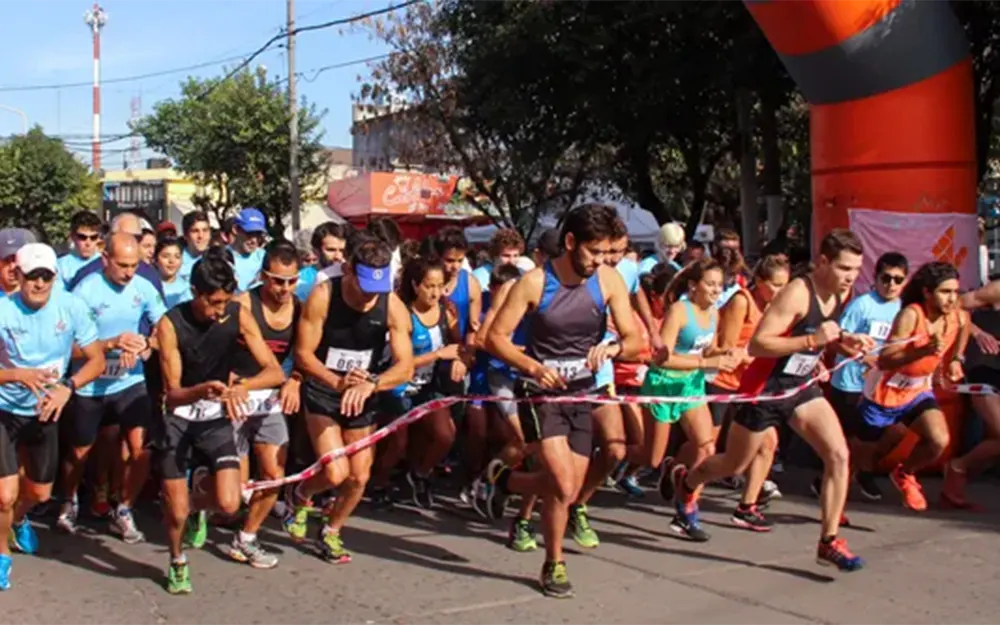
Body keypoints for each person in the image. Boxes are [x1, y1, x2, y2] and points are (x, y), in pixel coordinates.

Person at [673, 229, 873, 572]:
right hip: (764, 388)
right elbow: (759, 344)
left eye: (855, 270)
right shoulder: (797, 293)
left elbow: (822, 331)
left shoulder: (841, 293)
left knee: (838, 455)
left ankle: (829, 541)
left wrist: (847, 341)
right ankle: (687, 483)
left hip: (800, 387)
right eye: (844, 269)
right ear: (823, 262)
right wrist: (813, 340)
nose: (850, 277)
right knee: (733, 464)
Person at [480, 203, 641, 598]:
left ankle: (503, 481)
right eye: (594, 252)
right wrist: (532, 367)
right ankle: (556, 563)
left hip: (582, 392)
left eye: (607, 253)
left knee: (565, 490)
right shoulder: (535, 282)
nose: (601, 261)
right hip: (540, 394)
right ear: (570, 242)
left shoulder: (609, 281)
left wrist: (614, 348)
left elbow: (636, 340)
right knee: (564, 483)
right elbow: (495, 337)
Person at [155, 248, 285, 594]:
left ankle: (194, 497)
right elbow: (173, 394)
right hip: (179, 420)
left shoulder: (237, 314)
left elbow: (273, 371)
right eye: (213, 303)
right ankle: (177, 560)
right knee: (177, 515)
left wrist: (241, 385)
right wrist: (202, 390)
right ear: (195, 293)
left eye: (225, 302)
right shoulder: (170, 324)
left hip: (214, 419)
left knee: (229, 504)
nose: (219, 311)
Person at [283, 236, 414, 563]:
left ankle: (331, 530)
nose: (371, 295)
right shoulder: (324, 295)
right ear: (349, 270)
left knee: (359, 477)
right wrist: (337, 382)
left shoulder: (391, 304)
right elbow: (303, 354)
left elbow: (406, 366)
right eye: (365, 285)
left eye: (378, 287)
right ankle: (301, 493)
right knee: (335, 472)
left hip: (363, 391)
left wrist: (372, 383)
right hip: (325, 388)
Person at [0, 243, 106, 591]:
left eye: (46, 276)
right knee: (4, 495)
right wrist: (18, 375)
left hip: (47, 409)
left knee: (40, 495)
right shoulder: (3, 310)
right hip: (5, 408)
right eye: (33, 276)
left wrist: (68, 387)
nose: (40, 284)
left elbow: (97, 360)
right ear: (18, 276)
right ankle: (2, 555)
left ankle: (16, 522)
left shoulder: (71, 307)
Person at [56, 233, 167, 544]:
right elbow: (68, 348)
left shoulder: (143, 287)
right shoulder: (84, 291)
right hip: (90, 385)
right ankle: (69, 500)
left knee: (141, 449)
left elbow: (165, 328)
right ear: (105, 259)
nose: (129, 272)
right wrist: (110, 343)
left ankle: (124, 509)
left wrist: (146, 343)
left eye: (134, 265)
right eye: (122, 265)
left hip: (130, 381)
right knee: (80, 452)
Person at [641, 259, 739, 541]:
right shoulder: (679, 311)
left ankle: (686, 509)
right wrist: (705, 363)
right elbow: (665, 358)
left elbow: (708, 350)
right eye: (710, 284)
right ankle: (628, 459)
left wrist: (727, 354)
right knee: (652, 458)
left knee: (706, 447)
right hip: (663, 385)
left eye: (720, 285)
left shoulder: (714, 314)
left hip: (691, 388)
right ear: (694, 286)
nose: (715, 290)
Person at [860, 261, 968, 511]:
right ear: (927, 292)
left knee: (939, 440)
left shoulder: (955, 313)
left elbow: (965, 324)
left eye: (955, 292)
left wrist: (955, 359)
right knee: (865, 456)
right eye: (945, 292)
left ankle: (905, 473)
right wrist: (924, 350)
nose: (952, 299)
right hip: (883, 393)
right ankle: (832, 487)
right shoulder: (911, 315)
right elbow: (886, 360)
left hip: (917, 392)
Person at [224, 241, 303, 569]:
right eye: (277, 280)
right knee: (232, 497)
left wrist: (296, 379)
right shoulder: (242, 304)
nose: (284, 289)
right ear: (263, 276)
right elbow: (216, 349)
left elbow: (305, 353)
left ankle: (246, 539)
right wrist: (229, 384)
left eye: (291, 281)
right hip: (235, 395)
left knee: (273, 474)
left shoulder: (300, 308)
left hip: (269, 396)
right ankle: (204, 506)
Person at [374, 255, 465, 509]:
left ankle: (420, 474)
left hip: (428, 386)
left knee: (446, 436)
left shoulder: (447, 311)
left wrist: (462, 359)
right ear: (415, 286)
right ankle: (379, 483)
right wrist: (437, 355)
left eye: (439, 286)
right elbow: (397, 363)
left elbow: (460, 345)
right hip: (398, 386)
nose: (435, 293)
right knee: (397, 444)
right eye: (429, 286)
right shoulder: (403, 315)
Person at [820, 252, 908, 502]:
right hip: (851, 383)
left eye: (897, 279)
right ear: (875, 277)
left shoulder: (904, 309)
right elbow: (836, 339)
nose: (891, 284)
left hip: (884, 385)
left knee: (895, 432)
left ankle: (861, 471)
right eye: (885, 278)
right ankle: (840, 482)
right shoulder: (861, 305)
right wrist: (863, 358)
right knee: (849, 441)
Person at [296, 222, 351, 301]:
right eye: (331, 250)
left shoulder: (352, 276)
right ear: (315, 251)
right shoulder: (301, 281)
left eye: (342, 251)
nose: (338, 256)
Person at [57, 211, 103, 288]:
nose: (88, 243)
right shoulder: (60, 266)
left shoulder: (105, 263)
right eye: (82, 237)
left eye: (93, 237)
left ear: (98, 238)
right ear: (73, 236)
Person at [229, 208, 267, 291]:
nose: (254, 240)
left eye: (258, 235)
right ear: (235, 229)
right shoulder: (221, 256)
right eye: (249, 233)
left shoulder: (265, 258)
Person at [155, 237, 191, 309]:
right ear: (155, 259)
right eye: (165, 256)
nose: (171, 261)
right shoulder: (149, 286)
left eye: (177, 257)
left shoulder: (187, 287)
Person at [178, 211, 213, 283]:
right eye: (195, 231)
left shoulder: (218, 259)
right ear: (185, 235)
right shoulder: (176, 261)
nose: (201, 236)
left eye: (205, 230)